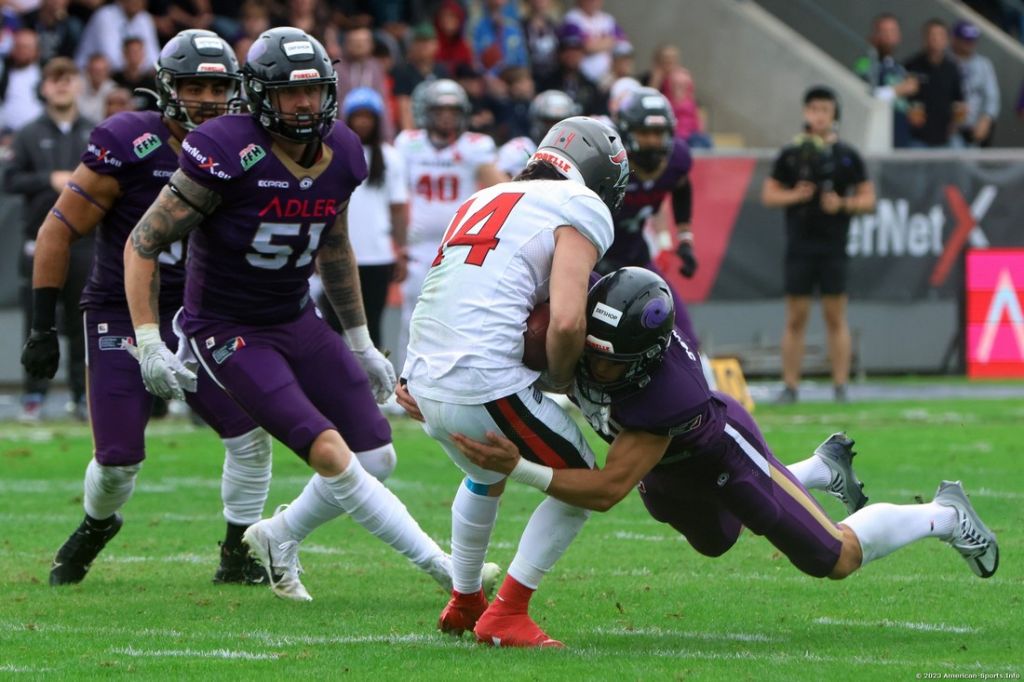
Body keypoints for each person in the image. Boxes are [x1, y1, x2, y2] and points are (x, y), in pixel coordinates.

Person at [122, 27, 494, 603]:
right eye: (289, 93)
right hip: (227, 328)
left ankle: (279, 535)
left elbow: (335, 246)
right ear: (258, 95)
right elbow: (143, 242)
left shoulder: (342, 150)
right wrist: (149, 340)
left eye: (313, 90)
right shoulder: (226, 147)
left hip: (295, 317)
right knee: (328, 451)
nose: (303, 104)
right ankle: (444, 569)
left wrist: (361, 341)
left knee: (377, 456)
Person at [452, 268, 1000, 602]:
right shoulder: (587, 318)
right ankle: (819, 470)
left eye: (610, 361)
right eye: (590, 350)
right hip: (665, 472)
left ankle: (945, 515)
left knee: (832, 557)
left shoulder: (668, 395)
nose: (592, 368)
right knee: (716, 541)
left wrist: (517, 467)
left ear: (644, 360)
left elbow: (605, 490)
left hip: (721, 456)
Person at [23, 30, 273, 587]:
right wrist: (42, 326)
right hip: (122, 311)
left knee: (250, 434)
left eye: (218, 87)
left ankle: (237, 552)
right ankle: (97, 523)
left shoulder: (250, 145)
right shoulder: (129, 142)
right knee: (118, 460)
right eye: (194, 86)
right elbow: (57, 230)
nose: (207, 98)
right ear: (166, 88)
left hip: (203, 316)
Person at [400, 116, 629, 647]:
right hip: (486, 380)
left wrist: (413, 371)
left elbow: (444, 288)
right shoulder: (579, 204)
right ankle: (507, 612)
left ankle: (465, 599)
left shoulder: (484, 196)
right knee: (581, 484)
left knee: (485, 474)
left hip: (426, 378)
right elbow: (567, 321)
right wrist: (562, 381)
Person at [760, 86, 875, 404]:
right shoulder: (791, 154)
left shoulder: (847, 156)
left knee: (835, 316)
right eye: (813, 109)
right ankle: (790, 386)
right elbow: (769, 195)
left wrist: (842, 204)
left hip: (833, 246)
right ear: (805, 113)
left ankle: (840, 385)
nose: (819, 116)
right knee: (795, 318)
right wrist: (795, 195)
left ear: (834, 115)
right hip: (800, 246)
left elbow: (868, 199)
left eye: (825, 110)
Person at [5, 57, 94, 422]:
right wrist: (49, 179)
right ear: (44, 87)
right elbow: (10, 180)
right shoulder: (28, 133)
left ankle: (82, 395)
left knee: (82, 323)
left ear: (78, 85)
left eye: (67, 78)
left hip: (84, 242)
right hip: (40, 241)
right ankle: (34, 395)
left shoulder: (95, 132)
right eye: (54, 79)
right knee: (38, 322)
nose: (61, 85)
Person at [394, 78, 503, 371]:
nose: (446, 116)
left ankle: (449, 376)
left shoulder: (475, 146)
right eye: (439, 110)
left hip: (459, 244)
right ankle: (406, 378)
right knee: (412, 315)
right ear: (425, 111)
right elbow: (396, 194)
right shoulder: (409, 143)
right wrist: (398, 242)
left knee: (458, 313)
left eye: (452, 110)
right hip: (418, 245)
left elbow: (502, 188)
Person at [603, 86, 700, 347]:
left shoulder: (676, 159)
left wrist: (685, 239)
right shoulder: (607, 161)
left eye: (659, 133)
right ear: (626, 131)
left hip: (635, 256)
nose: (653, 141)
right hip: (591, 261)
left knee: (684, 335)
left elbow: (682, 187)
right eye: (644, 133)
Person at [317, 86, 408, 348]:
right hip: (338, 253)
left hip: (377, 256)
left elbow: (397, 207)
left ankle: (374, 376)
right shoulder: (329, 153)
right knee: (332, 327)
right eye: (358, 116)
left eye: (369, 116)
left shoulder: (390, 157)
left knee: (372, 327)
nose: (363, 122)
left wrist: (401, 249)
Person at [853, 13, 918, 149]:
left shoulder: (899, 68)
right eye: (884, 31)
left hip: (901, 135)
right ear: (873, 36)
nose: (888, 36)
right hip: (877, 136)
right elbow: (864, 96)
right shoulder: (865, 64)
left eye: (892, 31)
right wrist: (898, 90)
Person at [903, 19, 966, 148]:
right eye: (932, 35)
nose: (936, 39)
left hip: (946, 137)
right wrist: (908, 112)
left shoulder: (953, 68)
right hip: (917, 137)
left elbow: (959, 101)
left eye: (940, 36)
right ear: (924, 39)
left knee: (961, 149)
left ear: (947, 40)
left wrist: (957, 121)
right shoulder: (911, 66)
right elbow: (901, 100)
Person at [496, 88, 577, 178]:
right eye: (549, 121)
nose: (555, 128)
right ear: (536, 120)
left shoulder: (578, 153)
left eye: (561, 122)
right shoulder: (518, 149)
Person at [950, 20, 999, 148]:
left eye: (972, 39)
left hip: (974, 128)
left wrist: (986, 119)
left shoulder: (984, 64)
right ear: (954, 39)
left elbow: (992, 97)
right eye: (965, 39)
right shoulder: (945, 61)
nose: (969, 43)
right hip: (949, 128)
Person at [74, 0, 160, 73]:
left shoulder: (144, 18)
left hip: (130, 76)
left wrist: (137, 68)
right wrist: (136, 67)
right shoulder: (105, 15)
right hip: (88, 75)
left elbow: (155, 58)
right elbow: (112, 59)